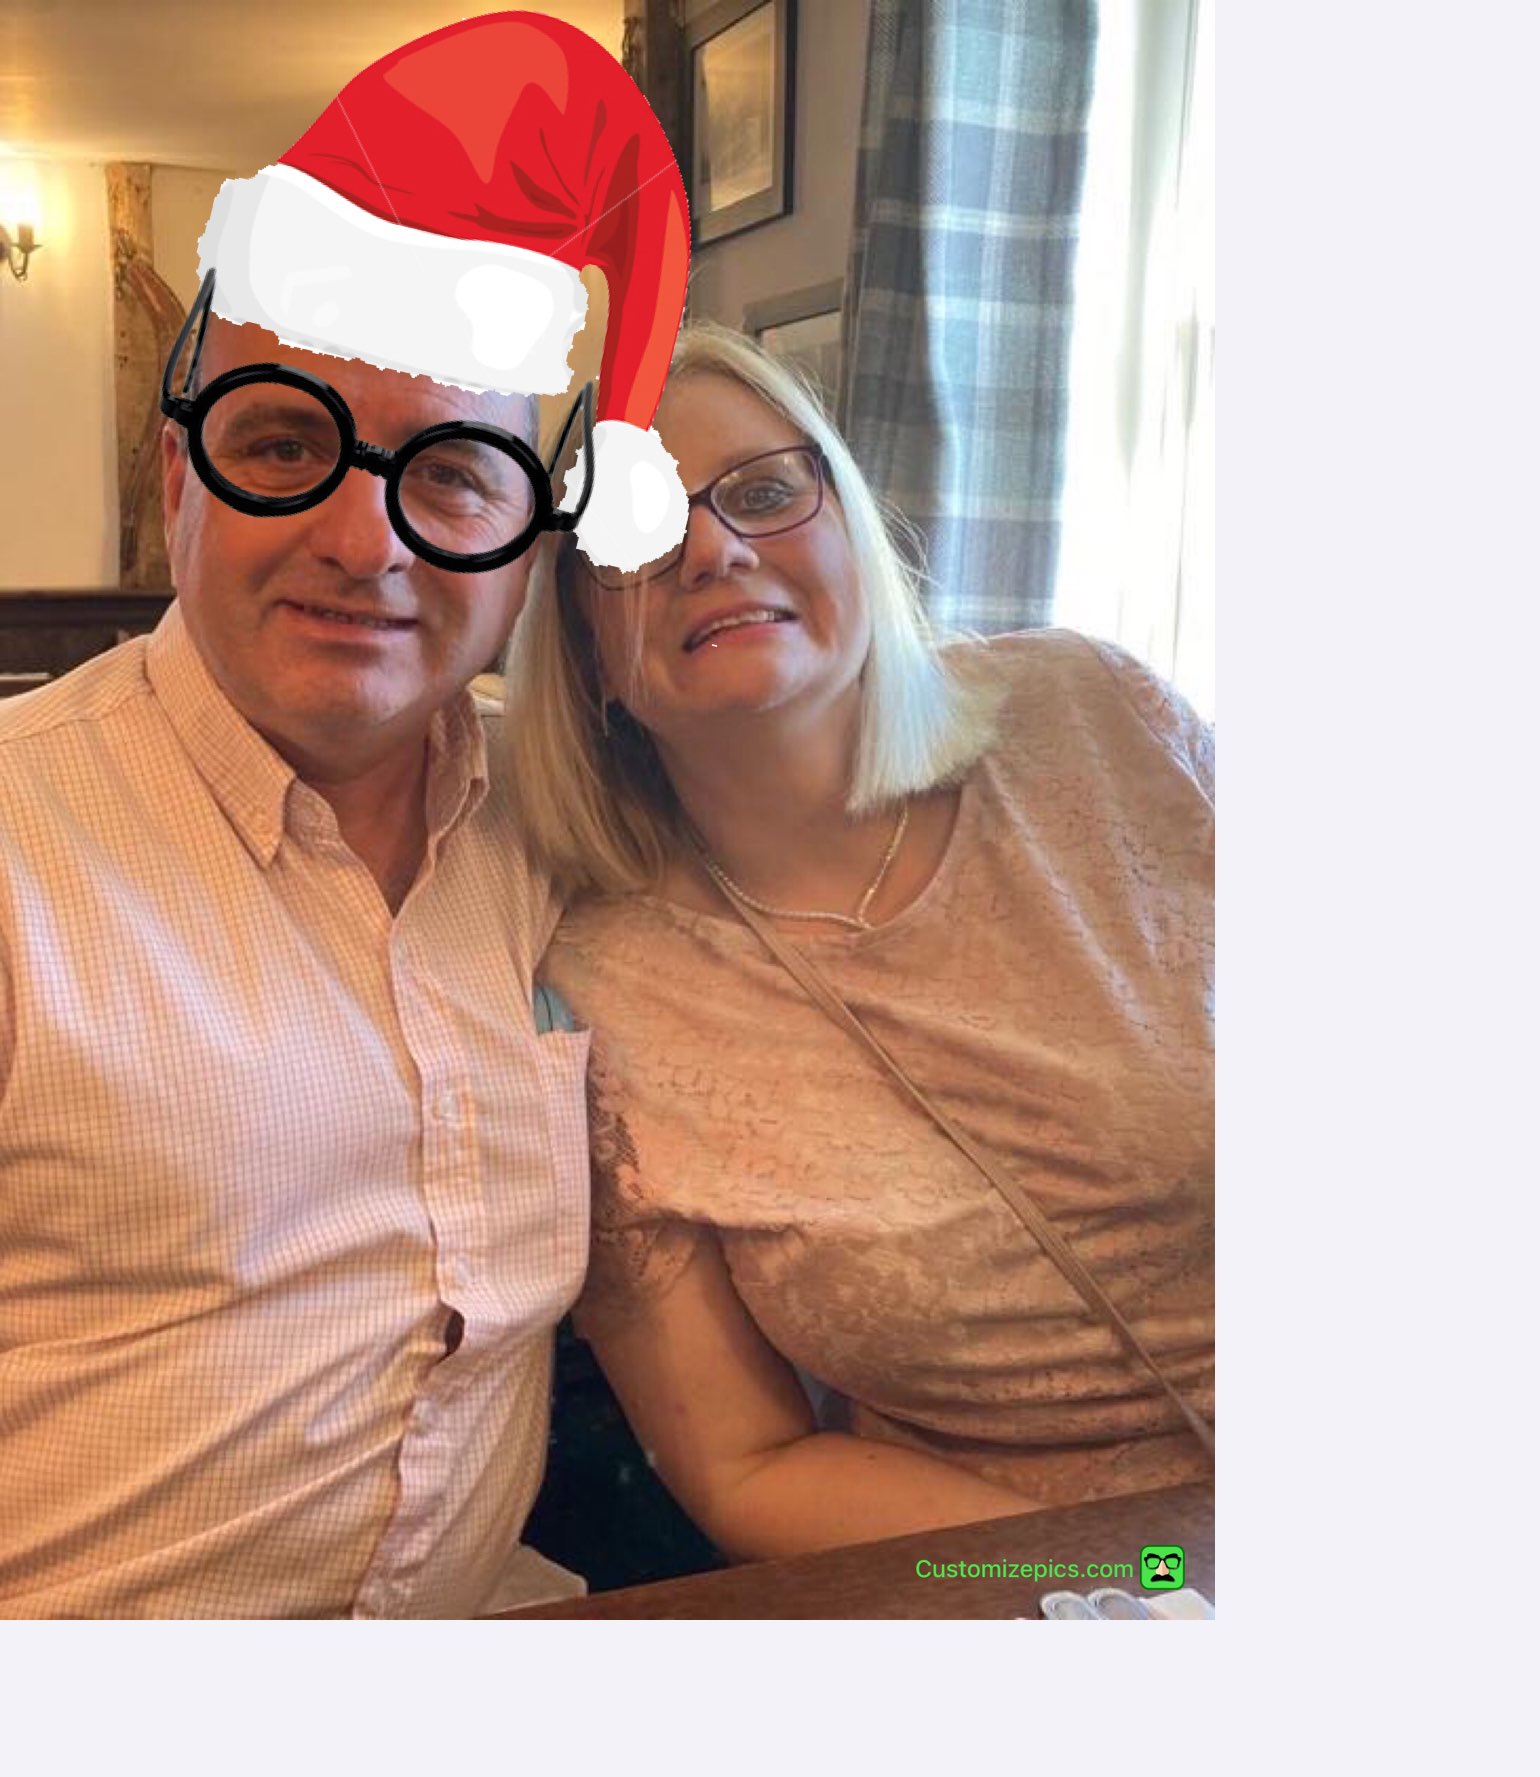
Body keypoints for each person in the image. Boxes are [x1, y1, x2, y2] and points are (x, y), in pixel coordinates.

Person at [0, 10, 693, 1617]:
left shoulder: (567, 824)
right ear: (176, 482)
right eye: (282, 444)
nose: (364, 540)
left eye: (451, 472)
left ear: (528, 542)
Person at [507, 324, 1215, 1563]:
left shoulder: (1100, 714)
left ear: (851, 529)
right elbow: (749, 1464)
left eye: (763, 493)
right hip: (1032, 1583)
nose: (713, 549)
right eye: (633, 528)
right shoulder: (593, 989)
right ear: (584, 649)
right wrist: (1146, 1580)